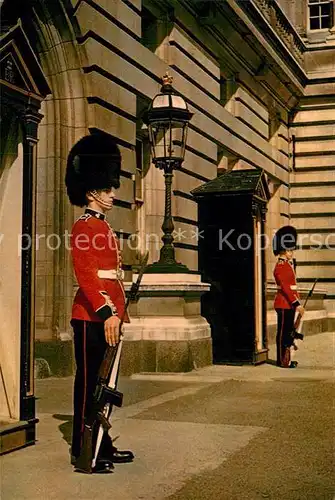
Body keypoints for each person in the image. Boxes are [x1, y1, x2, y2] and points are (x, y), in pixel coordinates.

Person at [65, 132, 134, 473]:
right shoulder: (83, 226)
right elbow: (87, 276)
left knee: (105, 385)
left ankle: (102, 445)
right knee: (90, 383)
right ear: (92, 191)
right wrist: (108, 313)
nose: (112, 193)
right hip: (90, 316)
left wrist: (120, 313)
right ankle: (84, 449)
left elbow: (111, 275)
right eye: (107, 189)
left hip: (108, 316)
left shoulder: (103, 227)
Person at [272, 225, 305, 368]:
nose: (292, 252)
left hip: (288, 303)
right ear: (284, 250)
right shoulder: (281, 266)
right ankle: (283, 361)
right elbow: (286, 288)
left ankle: (287, 359)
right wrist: (297, 304)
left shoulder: (287, 265)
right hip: (284, 303)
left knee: (288, 332)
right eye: (290, 250)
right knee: (284, 333)